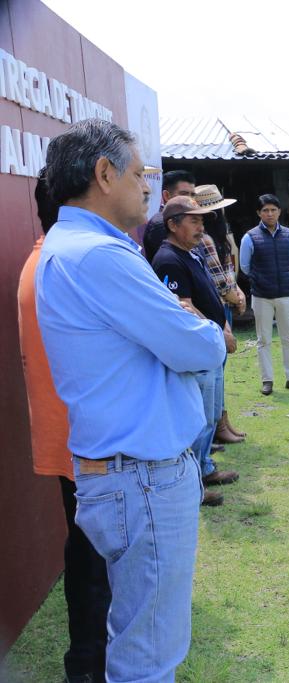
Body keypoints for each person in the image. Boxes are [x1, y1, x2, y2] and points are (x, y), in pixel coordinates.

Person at [35, 119, 225, 681]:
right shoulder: (99, 256)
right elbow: (200, 346)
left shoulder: (75, 247)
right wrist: (205, 330)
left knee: (137, 639)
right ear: (103, 173)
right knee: (148, 656)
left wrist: (188, 330)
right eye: (140, 173)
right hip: (141, 478)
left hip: (124, 474)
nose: (149, 187)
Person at [18, 166, 110, 683]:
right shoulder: (64, 266)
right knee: (92, 566)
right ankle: (88, 668)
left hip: (72, 442)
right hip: (84, 445)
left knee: (90, 559)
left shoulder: (45, 261)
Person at [152, 196, 241, 505]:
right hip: (198, 352)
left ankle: (204, 469)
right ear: (173, 225)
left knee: (211, 415)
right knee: (198, 418)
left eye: (202, 221)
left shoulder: (192, 254)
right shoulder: (167, 259)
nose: (201, 226)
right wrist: (217, 331)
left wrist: (224, 327)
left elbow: (211, 296)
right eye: (194, 220)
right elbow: (182, 308)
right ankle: (192, 485)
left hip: (210, 348)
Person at [192, 184, 247, 444]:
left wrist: (237, 291)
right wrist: (234, 296)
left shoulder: (221, 238)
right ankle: (217, 426)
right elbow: (218, 279)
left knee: (220, 369)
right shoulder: (207, 240)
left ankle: (222, 422)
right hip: (217, 305)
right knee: (216, 369)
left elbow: (227, 272)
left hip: (224, 300)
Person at [240, 194, 289, 395]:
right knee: (264, 339)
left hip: (285, 293)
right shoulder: (250, 237)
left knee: (288, 338)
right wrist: (259, 279)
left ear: (279, 212)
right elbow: (244, 266)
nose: (270, 214)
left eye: (273, 210)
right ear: (259, 213)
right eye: (265, 210)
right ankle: (267, 380)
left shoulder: (288, 235)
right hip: (261, 295)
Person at [142, 169, 196, 262]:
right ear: (167, 195)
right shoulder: (160, 224)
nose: (190, 200)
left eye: (193, 195)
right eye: (184, 194)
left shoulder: (184, 219)